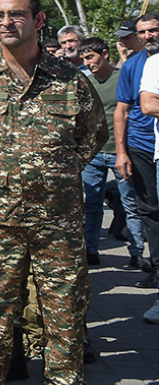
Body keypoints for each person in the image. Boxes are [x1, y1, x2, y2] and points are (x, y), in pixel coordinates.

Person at [0, 0, 107, 385]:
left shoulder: (71, 80)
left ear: (38, 21)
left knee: (65, 309)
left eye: (16, 14)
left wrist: (54, 172)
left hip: (59, 221)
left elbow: (93, 136)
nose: (6, 22)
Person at [78, 37, 133, 266]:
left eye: (90, 57)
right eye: (84, 59)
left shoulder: (122, 79)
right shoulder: (85, 83)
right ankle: (91, 250)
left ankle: (138, 253)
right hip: (94, 155)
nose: (87, 63)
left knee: (131, 204)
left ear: (105, 54)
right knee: (91, 204)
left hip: (121, 152)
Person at [115, 12, 159, 283]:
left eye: (152, 30)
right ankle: (156, 269)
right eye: (142, 32)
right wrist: (121, 153)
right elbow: (122, 111)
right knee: (149, 209)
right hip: (141, 145)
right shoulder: (134, 65)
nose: (147, 36)